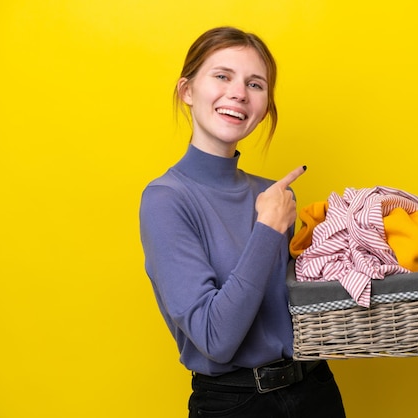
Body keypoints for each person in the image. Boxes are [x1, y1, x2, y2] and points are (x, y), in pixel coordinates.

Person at [139, 26, 346, 418]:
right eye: (222, 76)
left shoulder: (276, 197)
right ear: (187, 91)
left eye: (255, 84)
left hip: (316, 390)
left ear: (265, 104)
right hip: (236, 405)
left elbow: (301, 309)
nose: (239, 92)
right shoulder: (166, 200)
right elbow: (216, 339)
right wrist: (267, 229)